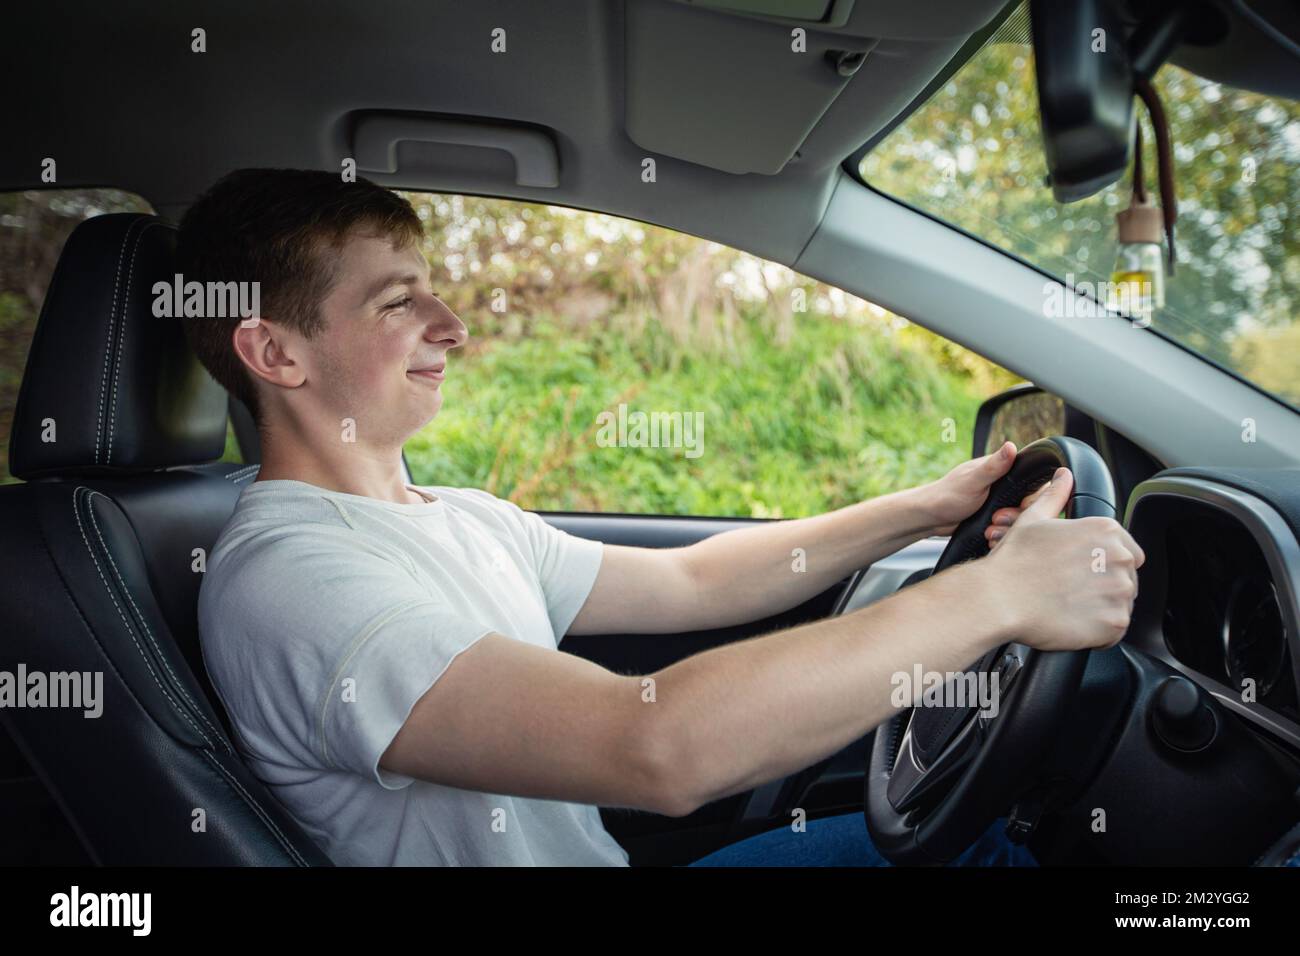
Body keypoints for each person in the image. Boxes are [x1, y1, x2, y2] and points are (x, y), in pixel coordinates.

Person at [182, 169, 1144, 866]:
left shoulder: (454, 516)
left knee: (994, 842)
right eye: (399, 301)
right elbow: (652, 749)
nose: (453, 325)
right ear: (274, 351)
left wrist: (927, 510)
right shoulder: (292, 578)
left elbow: (698, 579)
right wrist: (999, 595)